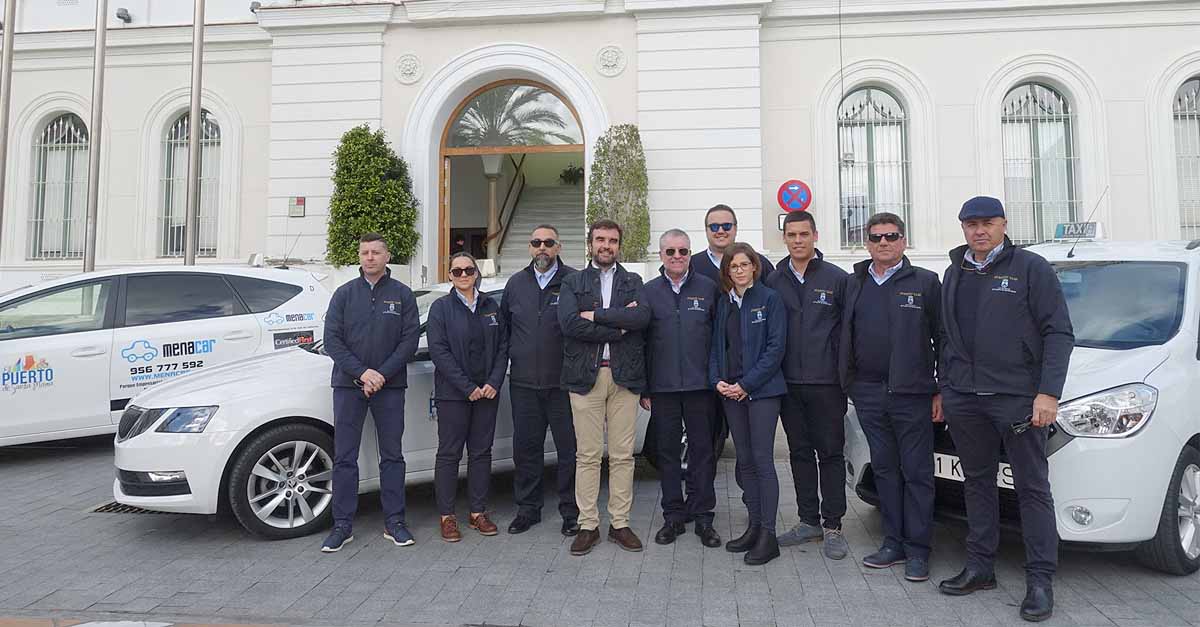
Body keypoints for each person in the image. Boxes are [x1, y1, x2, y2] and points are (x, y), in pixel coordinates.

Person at [937, 197, 1073, 623]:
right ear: (963, 228)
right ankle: (980, 567)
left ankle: (1040, 580)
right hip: (964, 398)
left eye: (987, 223)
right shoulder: (954, 271)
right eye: (971, 224)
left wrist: (1048, 393)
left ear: (1003, 224)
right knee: (977, 483)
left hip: (1016, 399)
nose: (979, 231)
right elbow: (945, 335)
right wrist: (946, 387)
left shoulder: (1031, 268)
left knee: (1032, 489)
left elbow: (1058, 332)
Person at [838, 213, 943, 582]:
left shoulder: (925, 282)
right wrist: (851, 383)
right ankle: (893, 543)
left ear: (903, 241)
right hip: (868, 394)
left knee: (917, 473)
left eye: (891, 236)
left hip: (912, 394)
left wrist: (940, 389)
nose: (883, 242)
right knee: (884, 470)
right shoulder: (855, 282)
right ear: (867, 243)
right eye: (876, 237)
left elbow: (945, 338)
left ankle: (918, 550)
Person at [321, 232, 420, 552]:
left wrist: (382, 375)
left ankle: (395, 522)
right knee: (344, 457)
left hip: (390, 387)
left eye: (376, 252)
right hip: (348, 386)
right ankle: (342, 525)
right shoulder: (344, 294)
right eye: (365, 252)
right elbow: (332, 340)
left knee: (392, 456)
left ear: (387, 256)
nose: (370, 257)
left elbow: (409, 341)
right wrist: (363, 373)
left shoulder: (402, 295)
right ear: (359, 256)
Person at [558, 219, 651, 556]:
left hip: (625, 377)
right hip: (586, 377)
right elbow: (570, 324)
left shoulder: (633, 281)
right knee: (587, 455)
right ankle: (588, 525)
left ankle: (620, 524)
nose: (606, 246)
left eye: (612, 240)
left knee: (623, 455)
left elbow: (641, 318)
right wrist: (618, 326)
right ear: (590, 243)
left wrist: (596, 316)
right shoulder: (573, 281)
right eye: (600, 239)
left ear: (619, 246)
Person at [765, 211, 851, 560]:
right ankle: (808, 521)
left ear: (815, 235)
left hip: (827, 384)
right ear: (784, 238)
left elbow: (848, 333)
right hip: (788, 384)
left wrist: (844, 377)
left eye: (804, 234)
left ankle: (833, 525)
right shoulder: (773, 280)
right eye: (792, 234)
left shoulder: (838, 279)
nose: (798, 240)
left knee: (830, 454)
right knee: (799, 453)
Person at [640, 229, 722, 548]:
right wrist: (645, 387)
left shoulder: (708, 288)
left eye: (683, 251)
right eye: (670, 251)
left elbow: (719, 339)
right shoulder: (649, 292)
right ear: (661, 255)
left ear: (690, 253)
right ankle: (673, 516)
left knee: (703, 453)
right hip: (663, 389)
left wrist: (716, 379)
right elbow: (642, 343)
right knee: (668, 455)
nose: (677, 257)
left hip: (701, 388)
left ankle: (703, 517)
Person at [500, 225, 581, 537]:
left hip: (563, 384)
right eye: (536, 242)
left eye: (549, 242)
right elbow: (505, 330)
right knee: (526, 450)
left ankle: (571, 512)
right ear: (530, 247)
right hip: (524, 384)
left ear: (558, 247)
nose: (542, 247)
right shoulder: (515, 284)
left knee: (569, 451)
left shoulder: (573, 281)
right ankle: (528, 509)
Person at [710, 242, 787, 565]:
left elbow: (775, 349)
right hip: (731, 393)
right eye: (733, 266)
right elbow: (716, 347)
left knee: (762, 460)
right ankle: (754, 527)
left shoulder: (770, 299)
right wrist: (717, 380)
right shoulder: (725, 303)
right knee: (744, 461)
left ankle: (768, 535)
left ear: (754, 267)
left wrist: (746, 384)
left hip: (762, 393)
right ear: (727, 272)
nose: (739, 270)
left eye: (744, 264)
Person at [426, 252, 509, 542]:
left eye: (468, 270)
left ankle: (478, 512)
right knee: (449, 454)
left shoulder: (490, 306)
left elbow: (503, 346)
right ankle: (447, 517)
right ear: (450, 275)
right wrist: (467, 387)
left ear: (476, 273)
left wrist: (494, 382)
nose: (463, 275)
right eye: (457, 271)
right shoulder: (440, 308)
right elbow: (439, 351)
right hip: (454, 395)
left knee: (481, 453)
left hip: (487, 393)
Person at [690, 204, 774, 284]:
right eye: (714, 227)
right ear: (706, 230)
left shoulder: (759, 262)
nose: (720, 231)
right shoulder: (691, 265)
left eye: (726, 226)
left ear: (735, 228)